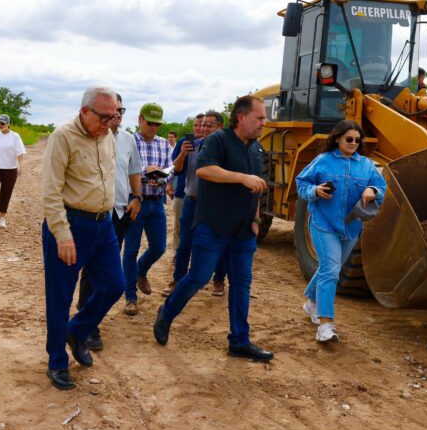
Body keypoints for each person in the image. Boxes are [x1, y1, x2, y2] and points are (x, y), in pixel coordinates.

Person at [153, 95, 273, 362]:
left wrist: (255, 219)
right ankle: (167, 313)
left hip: (243, 232)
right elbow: (204, 170)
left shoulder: (256, 147)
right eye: (259, 118)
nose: (264, 123)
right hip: (214, 226)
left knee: (241, 284)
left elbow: (256, 188)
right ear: (241, 117)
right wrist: (242, 178)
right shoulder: (217, 140)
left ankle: (239, 341)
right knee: (198, 277)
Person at [41, 87, 125, 390]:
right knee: (60, 297)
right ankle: (56, 362)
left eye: (114, 116)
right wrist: (62, 234)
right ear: (84, 111)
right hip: (70, 224)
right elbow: (50, 192)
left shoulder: (108, 136)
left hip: (103, 226)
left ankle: (77, 331)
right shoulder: (62, 137)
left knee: (115, 285)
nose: (109, 122)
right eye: (104, 117)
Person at [295, 121, 386, 343]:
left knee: (330, 267)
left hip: (351, 226)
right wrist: (315, 190)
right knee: (331, 270)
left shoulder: (366, 165)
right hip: (323, 223)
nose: (354, 143)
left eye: (357, 140)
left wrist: (371, 189)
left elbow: (381, 187)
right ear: (337, 139)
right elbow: (301, 184)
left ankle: (311, 302)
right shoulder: (323, 161)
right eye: (349, 139)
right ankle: (326, 325)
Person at [75, 93, 142, 351]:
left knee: (108, 270)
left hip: (122, 211)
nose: (117, 115)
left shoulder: (127, 139)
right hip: (94, 211)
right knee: (91, 270)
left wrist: (137, 197)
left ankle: (89, 318)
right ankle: (87, 323)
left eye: (121, 110)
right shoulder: (88, 137)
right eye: (112, 111)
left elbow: (134, 169)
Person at [170, 110, 228, 296]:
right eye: (202, 125)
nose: (203, 128)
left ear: (220, 127)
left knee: (217, 242)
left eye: (209, 125)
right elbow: (177, 170)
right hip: (191, 201)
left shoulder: (225, 150)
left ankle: (219, 280)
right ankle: (177, 280)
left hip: (215, 205)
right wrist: (182, 155)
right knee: (184, 243)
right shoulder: (193, 147)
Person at [122, 102, 171, 313]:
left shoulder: (164, 143)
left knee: (159, 247)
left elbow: (170, 169)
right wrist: (146, 173)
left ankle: (141, 271)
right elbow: (122, 168)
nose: (153, 128)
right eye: (150, 123)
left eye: (157, 124)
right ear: (140, 119)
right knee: (130, 250)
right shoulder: (128, 141)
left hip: (156, 203)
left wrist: (160, 177)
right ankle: (130, 297)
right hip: (135, 203)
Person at [167, 113, 204, 290]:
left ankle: (198, 274)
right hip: (183, 193)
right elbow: (174, 166)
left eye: (201, 125)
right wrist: (169, 184)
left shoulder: (212, 144)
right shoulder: (184, 143)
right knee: (180, 230)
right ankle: (177, 257)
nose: (198, 128)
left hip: (205, 200)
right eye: (196, 125)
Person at [0, 113, 26, 229]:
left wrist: (20, 165)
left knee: (6, 192)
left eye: (3, 123)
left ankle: (2, 217)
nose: (0, 125)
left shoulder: (15, 136)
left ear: (8, 124)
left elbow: (20, 153)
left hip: (10, 169)